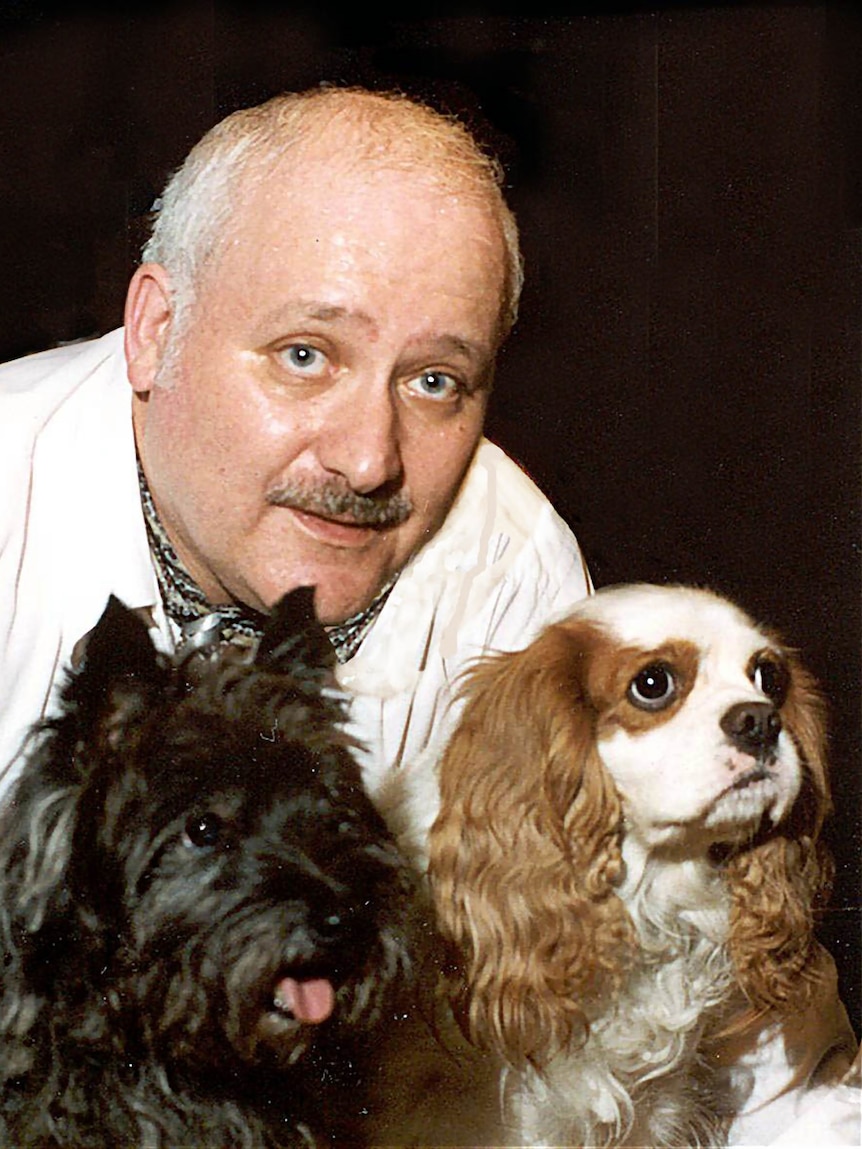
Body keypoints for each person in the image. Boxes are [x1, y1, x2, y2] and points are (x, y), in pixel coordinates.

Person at [0, 85, 857, 1145]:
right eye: (304, 354)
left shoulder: (512, 563)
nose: (368, 457)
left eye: (438, 381)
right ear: (154, 329)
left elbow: (694, 984)